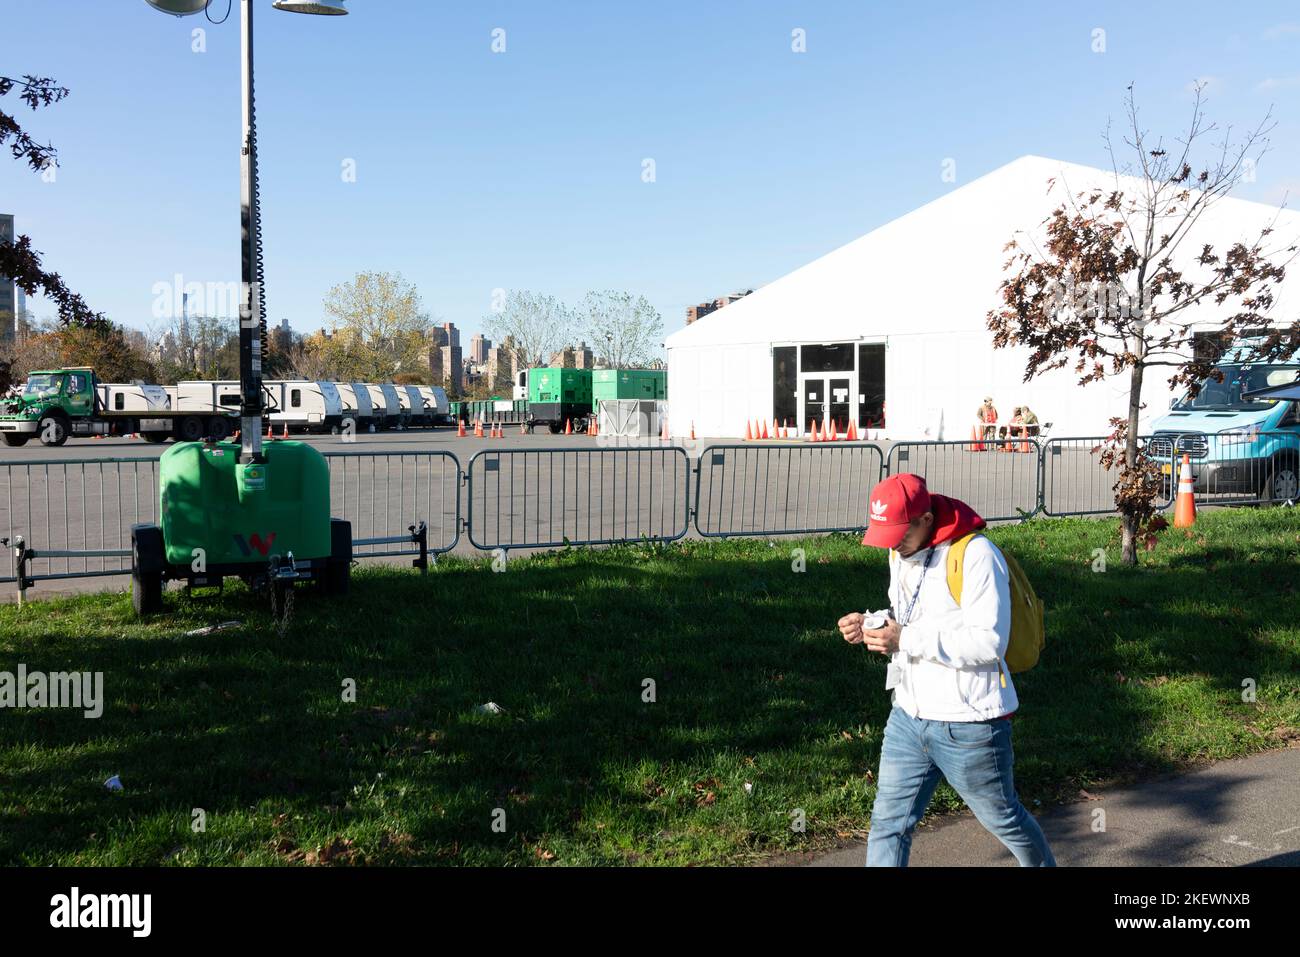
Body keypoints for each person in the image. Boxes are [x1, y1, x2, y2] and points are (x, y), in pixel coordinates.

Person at [837, 473, 1055, 867]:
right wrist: (871, 622)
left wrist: (904, 639)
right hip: (908, 717)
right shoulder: (899, 552)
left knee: (1004, 819)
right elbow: (911, 614)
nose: (893, 545)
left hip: (968, 725)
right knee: (888, 824)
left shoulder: (975, 555)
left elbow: (989, 643)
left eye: (899, 534)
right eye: (885, 536)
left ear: (925, 519)